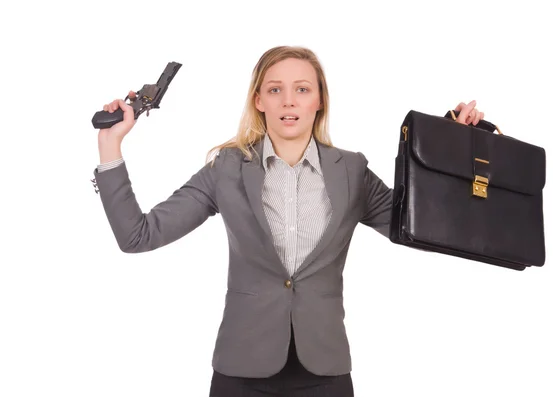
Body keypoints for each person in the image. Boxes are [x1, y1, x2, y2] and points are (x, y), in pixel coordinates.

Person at [92, 45, 484, 397]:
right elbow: (137, 235)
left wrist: (448, 149)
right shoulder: (226, 169)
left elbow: (420, 231)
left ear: (319, 101)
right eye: (275, 89)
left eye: (302, 89)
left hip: (325, 373)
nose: (288, 101)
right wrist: (110, 145)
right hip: (241, 372)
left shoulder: (352, 170)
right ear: (259, 100)